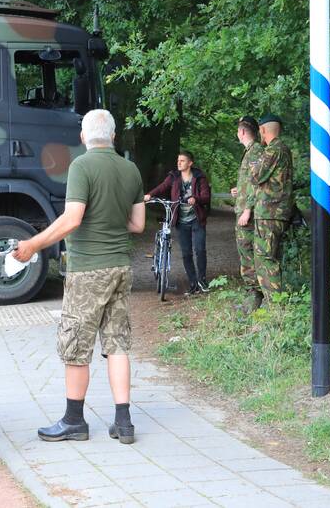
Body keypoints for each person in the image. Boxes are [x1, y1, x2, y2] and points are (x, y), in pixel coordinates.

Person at [12, 109, 145, 445]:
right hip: (120, 267)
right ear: (113, 136)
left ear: (84, 137)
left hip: (89, 270)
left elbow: (73, 219)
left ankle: (74, 421)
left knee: (76, 345)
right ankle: (124, 423)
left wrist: (33, 245)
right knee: (117, 342)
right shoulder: (130, 169)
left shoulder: (81, 166)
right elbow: (137, 225)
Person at [144, 150, 212, 294]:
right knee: (186, 253)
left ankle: (202, 280)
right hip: (181, 221)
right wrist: (150, 194)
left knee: (200, 250)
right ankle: (193, 283)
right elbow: (162, 187)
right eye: (178, 160)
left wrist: (196, 199)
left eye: (182, 161)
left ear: (190, 163)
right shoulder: (174, 177)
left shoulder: (199, 177)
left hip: (196, 219)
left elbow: (206, 196)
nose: (179, 163)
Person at [250, 114, 294, 302]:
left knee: (265, 259)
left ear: (262, 130)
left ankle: (275, 307)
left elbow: (255, 176)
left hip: (269, 212)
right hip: (279, 212)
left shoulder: (272, 150)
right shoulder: (285, 150)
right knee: (271, 256)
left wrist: (254, 165)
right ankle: (275, 303)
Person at [231, 116, 266, 311]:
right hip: (244, 209)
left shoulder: (255, 152)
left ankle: (255, 299)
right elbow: (249, 183)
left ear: (242, 132)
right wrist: (238, 190)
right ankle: (253, 298)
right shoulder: (250, 152)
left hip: (248, 214)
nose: (237, 134)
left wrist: (247, 210)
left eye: (238, 131)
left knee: (248, 254)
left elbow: (257, 183)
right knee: (245, 253)